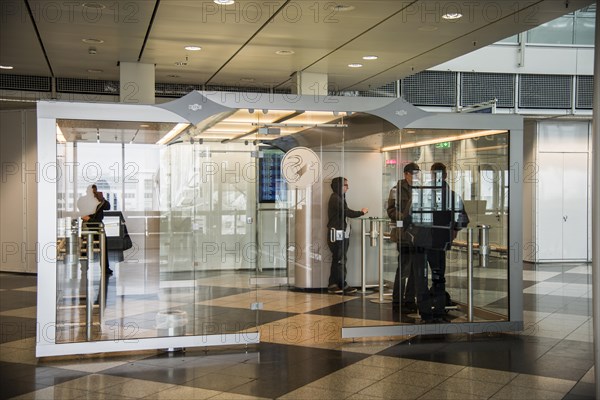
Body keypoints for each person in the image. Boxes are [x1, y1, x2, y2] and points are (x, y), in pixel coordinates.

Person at [421, 162, 469, 321]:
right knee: (438, 275)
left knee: (421, 276)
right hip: (441, 242)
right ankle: (439, 309)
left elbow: (411, 218)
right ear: (446, 175)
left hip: (423, 242)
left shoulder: (422, 194)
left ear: (432, 175)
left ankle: (426, 310)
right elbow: (462, 220)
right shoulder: (452, 195)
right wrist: (453, 231)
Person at [387, 162, 423, 313]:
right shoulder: (396, 190)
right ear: (406, 174)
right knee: (403, 267)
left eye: (417, 174)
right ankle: (397, 299)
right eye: (414, 174)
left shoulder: (421, 190)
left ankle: (410, 299)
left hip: (418, 234)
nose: (416, 177)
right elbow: (390, 210)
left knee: (416, 269)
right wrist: (404, 217)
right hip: (403, 234)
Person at [327, 177, 368, 295]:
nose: (347, 187)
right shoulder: (335, 198)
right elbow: (347, 212)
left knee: (339, 259)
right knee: (339, 259)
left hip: (341, 233)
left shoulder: (339, 198)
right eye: (345, 185)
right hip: (337, 233)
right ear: (339, 186)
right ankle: (339, 284)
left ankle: (336, 284)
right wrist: (362, 212)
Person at [82, 184, 112, 275]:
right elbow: (84, 215)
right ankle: (83, 267)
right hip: (88, 226)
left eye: (95, 192)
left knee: (103, 246)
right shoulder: (83, 200)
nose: (93, 194)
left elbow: (108, 207)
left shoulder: (99, 200)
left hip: (98, 226)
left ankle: (105, 268)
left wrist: (102, 199)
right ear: (87, 192)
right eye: (92, 192)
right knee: (84, 247)